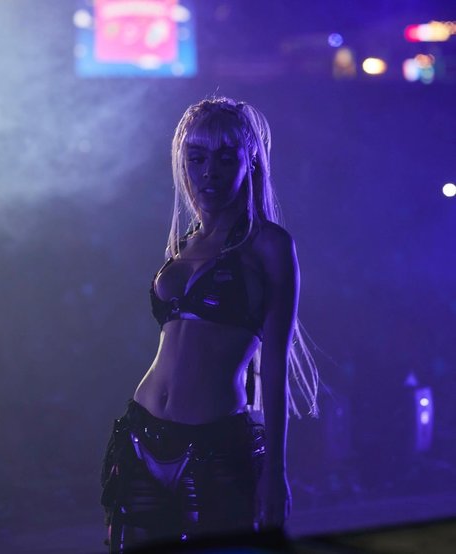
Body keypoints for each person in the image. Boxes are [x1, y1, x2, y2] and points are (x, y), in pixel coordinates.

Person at [100, 97, 319, 552]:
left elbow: (274, 367)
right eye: (196, 158)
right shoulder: (184, 244)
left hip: (215, 443)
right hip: (141, 436)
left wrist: (276, 472)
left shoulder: (269, 245)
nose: (209, 172)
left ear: (250, 160)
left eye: (225, 158)